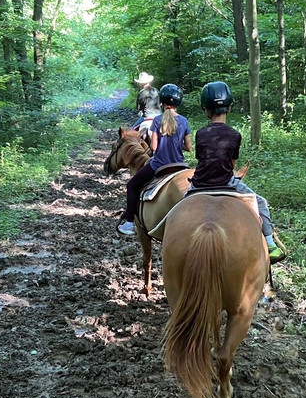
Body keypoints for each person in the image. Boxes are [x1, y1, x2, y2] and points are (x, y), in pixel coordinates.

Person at [190, 81, 284, 263]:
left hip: (199, 183)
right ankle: (270, 243)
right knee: (261, 203)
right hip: (227, 183)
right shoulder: (234, 135)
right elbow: (232, 165)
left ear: (205, 109)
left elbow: (201, 160)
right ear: (229, 108)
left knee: (176, 209)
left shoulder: (200, 133)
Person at [117, 83, 191, 236]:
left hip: (159, 165)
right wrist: (178, 144)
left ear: (162, 103)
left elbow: (155, 148)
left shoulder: (157, 121)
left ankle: (130, 222)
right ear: (178, 103)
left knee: (132, 185)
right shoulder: (184, 121)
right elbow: (189, 147)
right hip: (180, 165)